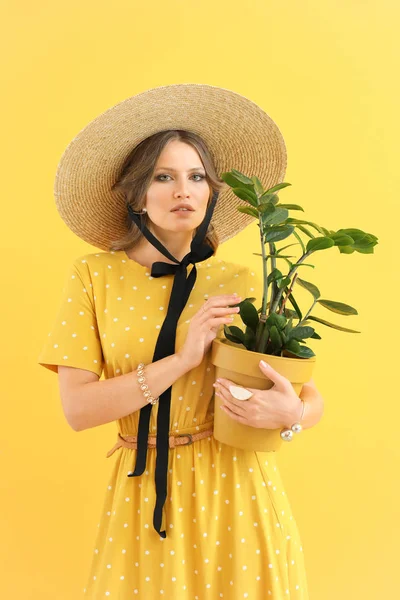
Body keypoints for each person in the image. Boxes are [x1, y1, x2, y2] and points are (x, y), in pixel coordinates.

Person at [38, 84, 324, 599]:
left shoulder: (245, 279)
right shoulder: (92, 277)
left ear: (213, 193)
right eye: (162, 177)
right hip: (144, 488)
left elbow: (307, 395)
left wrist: (290, 417)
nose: (182, 191)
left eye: (196, 177)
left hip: (240, 490)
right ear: (136, 195)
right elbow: (78, 410)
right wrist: (182, 359)